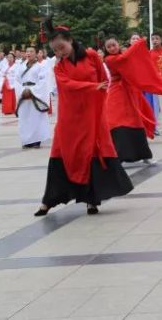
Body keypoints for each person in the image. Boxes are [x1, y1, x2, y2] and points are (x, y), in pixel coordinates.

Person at [35, 20, 133, 216]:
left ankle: (91, 200)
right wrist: (91, 87)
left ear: (70, 41)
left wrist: (99, 100)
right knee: (60, 152)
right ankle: (49, 200)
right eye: (55, 50)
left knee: (91, 152)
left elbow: (103, 79)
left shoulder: (90, 56)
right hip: (69, 116)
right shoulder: (59, 67)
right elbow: (67, 84)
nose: (60, 52)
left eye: (61, 47)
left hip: (91, 112)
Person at [103, 37, 162, 165]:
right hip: (116, 94)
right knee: (117, 124)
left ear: (118, 44)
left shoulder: (123, 56)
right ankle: (119, 157)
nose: (112, 48)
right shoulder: (110, 59)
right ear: (106, 50)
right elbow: (123, 59)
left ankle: (145, 155)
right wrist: (137, 44)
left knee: (137, 123)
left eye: (114, 45)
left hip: (130, 92)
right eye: (109, 47)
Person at [13, 45, 52, 148]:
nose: (28, 53)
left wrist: (31, 91)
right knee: (24, 117)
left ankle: (36, 139)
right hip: (24, 94)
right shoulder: (20, 67)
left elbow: (44, 82)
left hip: (35, 95)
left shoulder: (41, 67)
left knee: (35, 118)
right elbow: (16, 81)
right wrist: (22, 91)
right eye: (27, 51)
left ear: (37, 53)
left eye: (31, 51)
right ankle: (26, 140)